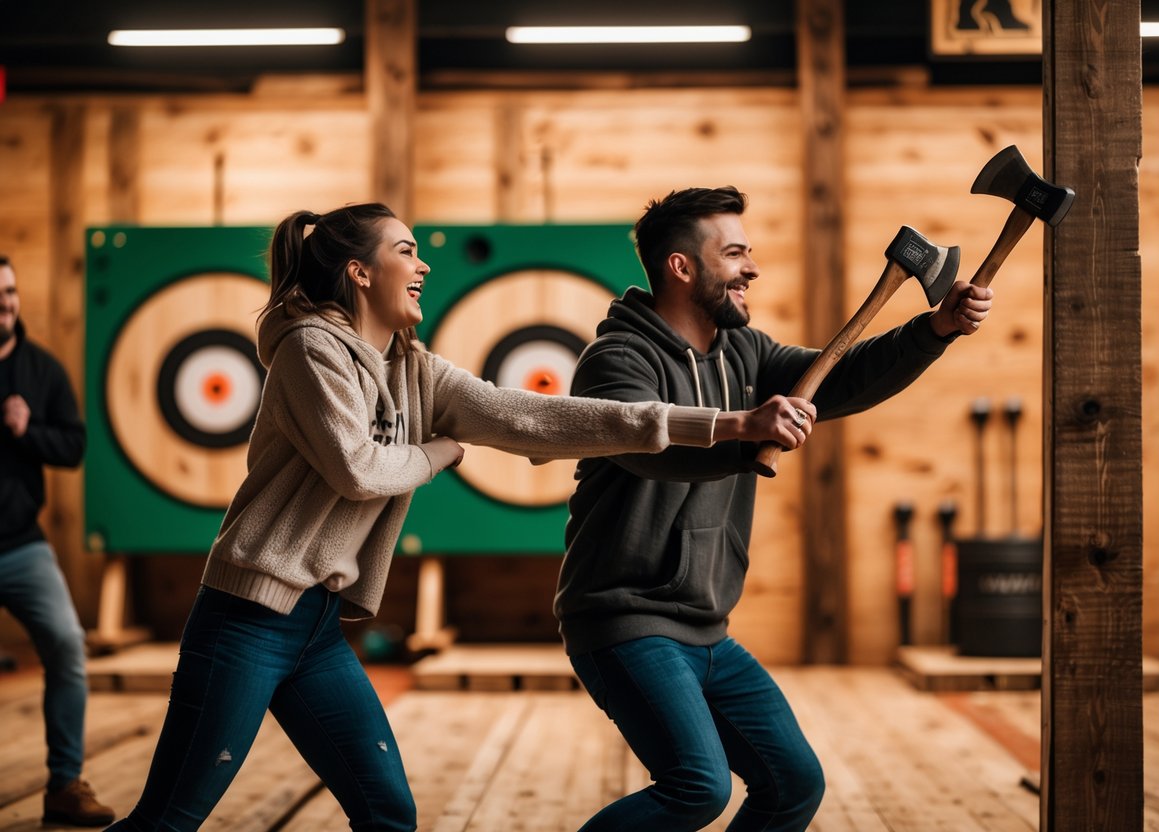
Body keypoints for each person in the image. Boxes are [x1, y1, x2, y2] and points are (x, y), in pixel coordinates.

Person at [105, 202, 811, 832]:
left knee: (387, 814)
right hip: (248, 619)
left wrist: (722, 425)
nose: (424, 263)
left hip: (316, 630)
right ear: (358, 272)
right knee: (170, 819)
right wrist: (439, 451)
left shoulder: (414, 368)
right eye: (406, 250)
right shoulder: (308, 349)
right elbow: (357, 469)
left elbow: (532, 416)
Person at [555, 186, 994, 831]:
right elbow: (648, 445)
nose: (752, 268)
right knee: (696, 787)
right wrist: (741, 429)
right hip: (624, 618)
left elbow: (838, 375)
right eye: (734, 254)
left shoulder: (746, 354)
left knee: (792, 785)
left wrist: (935, 329)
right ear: (682, 267)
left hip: (708, 628)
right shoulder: (616, 362)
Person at [0, 255, 115, 826]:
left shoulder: (40, 369)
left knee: (68, 646)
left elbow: (72, 448)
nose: (5, 303)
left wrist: (28, 431)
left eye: (10, 292)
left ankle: (64, 784)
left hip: (21, 544)